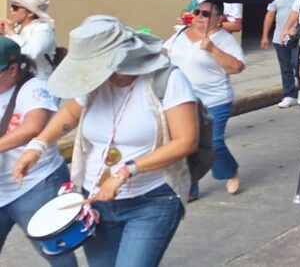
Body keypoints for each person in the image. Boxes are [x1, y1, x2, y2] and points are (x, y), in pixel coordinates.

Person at [16, 16, 198, 266]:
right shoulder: (94, 84)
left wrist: (126, 172)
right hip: (95, 199)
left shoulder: (167, 79)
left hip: (151, 200)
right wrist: (38, 145)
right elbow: (70, 113)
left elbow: (185, 141)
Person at [0, 37, 73, 266]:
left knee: (56, 251)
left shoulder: (35, 87)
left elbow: (33, 127)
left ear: (13, 69)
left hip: (35, 184)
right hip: (2, 188)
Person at [163, 0, 245, 200]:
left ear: (219, 20)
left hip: (215, 99)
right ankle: (190, 187)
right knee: (186, 143)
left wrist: (213, 50)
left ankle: (229, 170)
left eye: (206, 14)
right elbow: (165, 54)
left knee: (214, 142)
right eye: (197, 12)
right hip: (183, 100)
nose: (199, 17)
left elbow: (237, 67)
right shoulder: (180, 33)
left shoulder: (224, 39)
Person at [1, 0, 57, 78]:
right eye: (11, 6)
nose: (11, 9)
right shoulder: (17, 28)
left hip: (38, 83)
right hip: (19, 82)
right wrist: (3, 35)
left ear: (30, 12)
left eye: (15, 7)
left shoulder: (43, 29)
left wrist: (12, 34)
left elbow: (32, 53)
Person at [262, 0, 300, 109]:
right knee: (285, 68)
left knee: (297, 64)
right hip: (279, 37)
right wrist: (265, 35)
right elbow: (270, 14)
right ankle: (289, 95)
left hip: (296, 37)